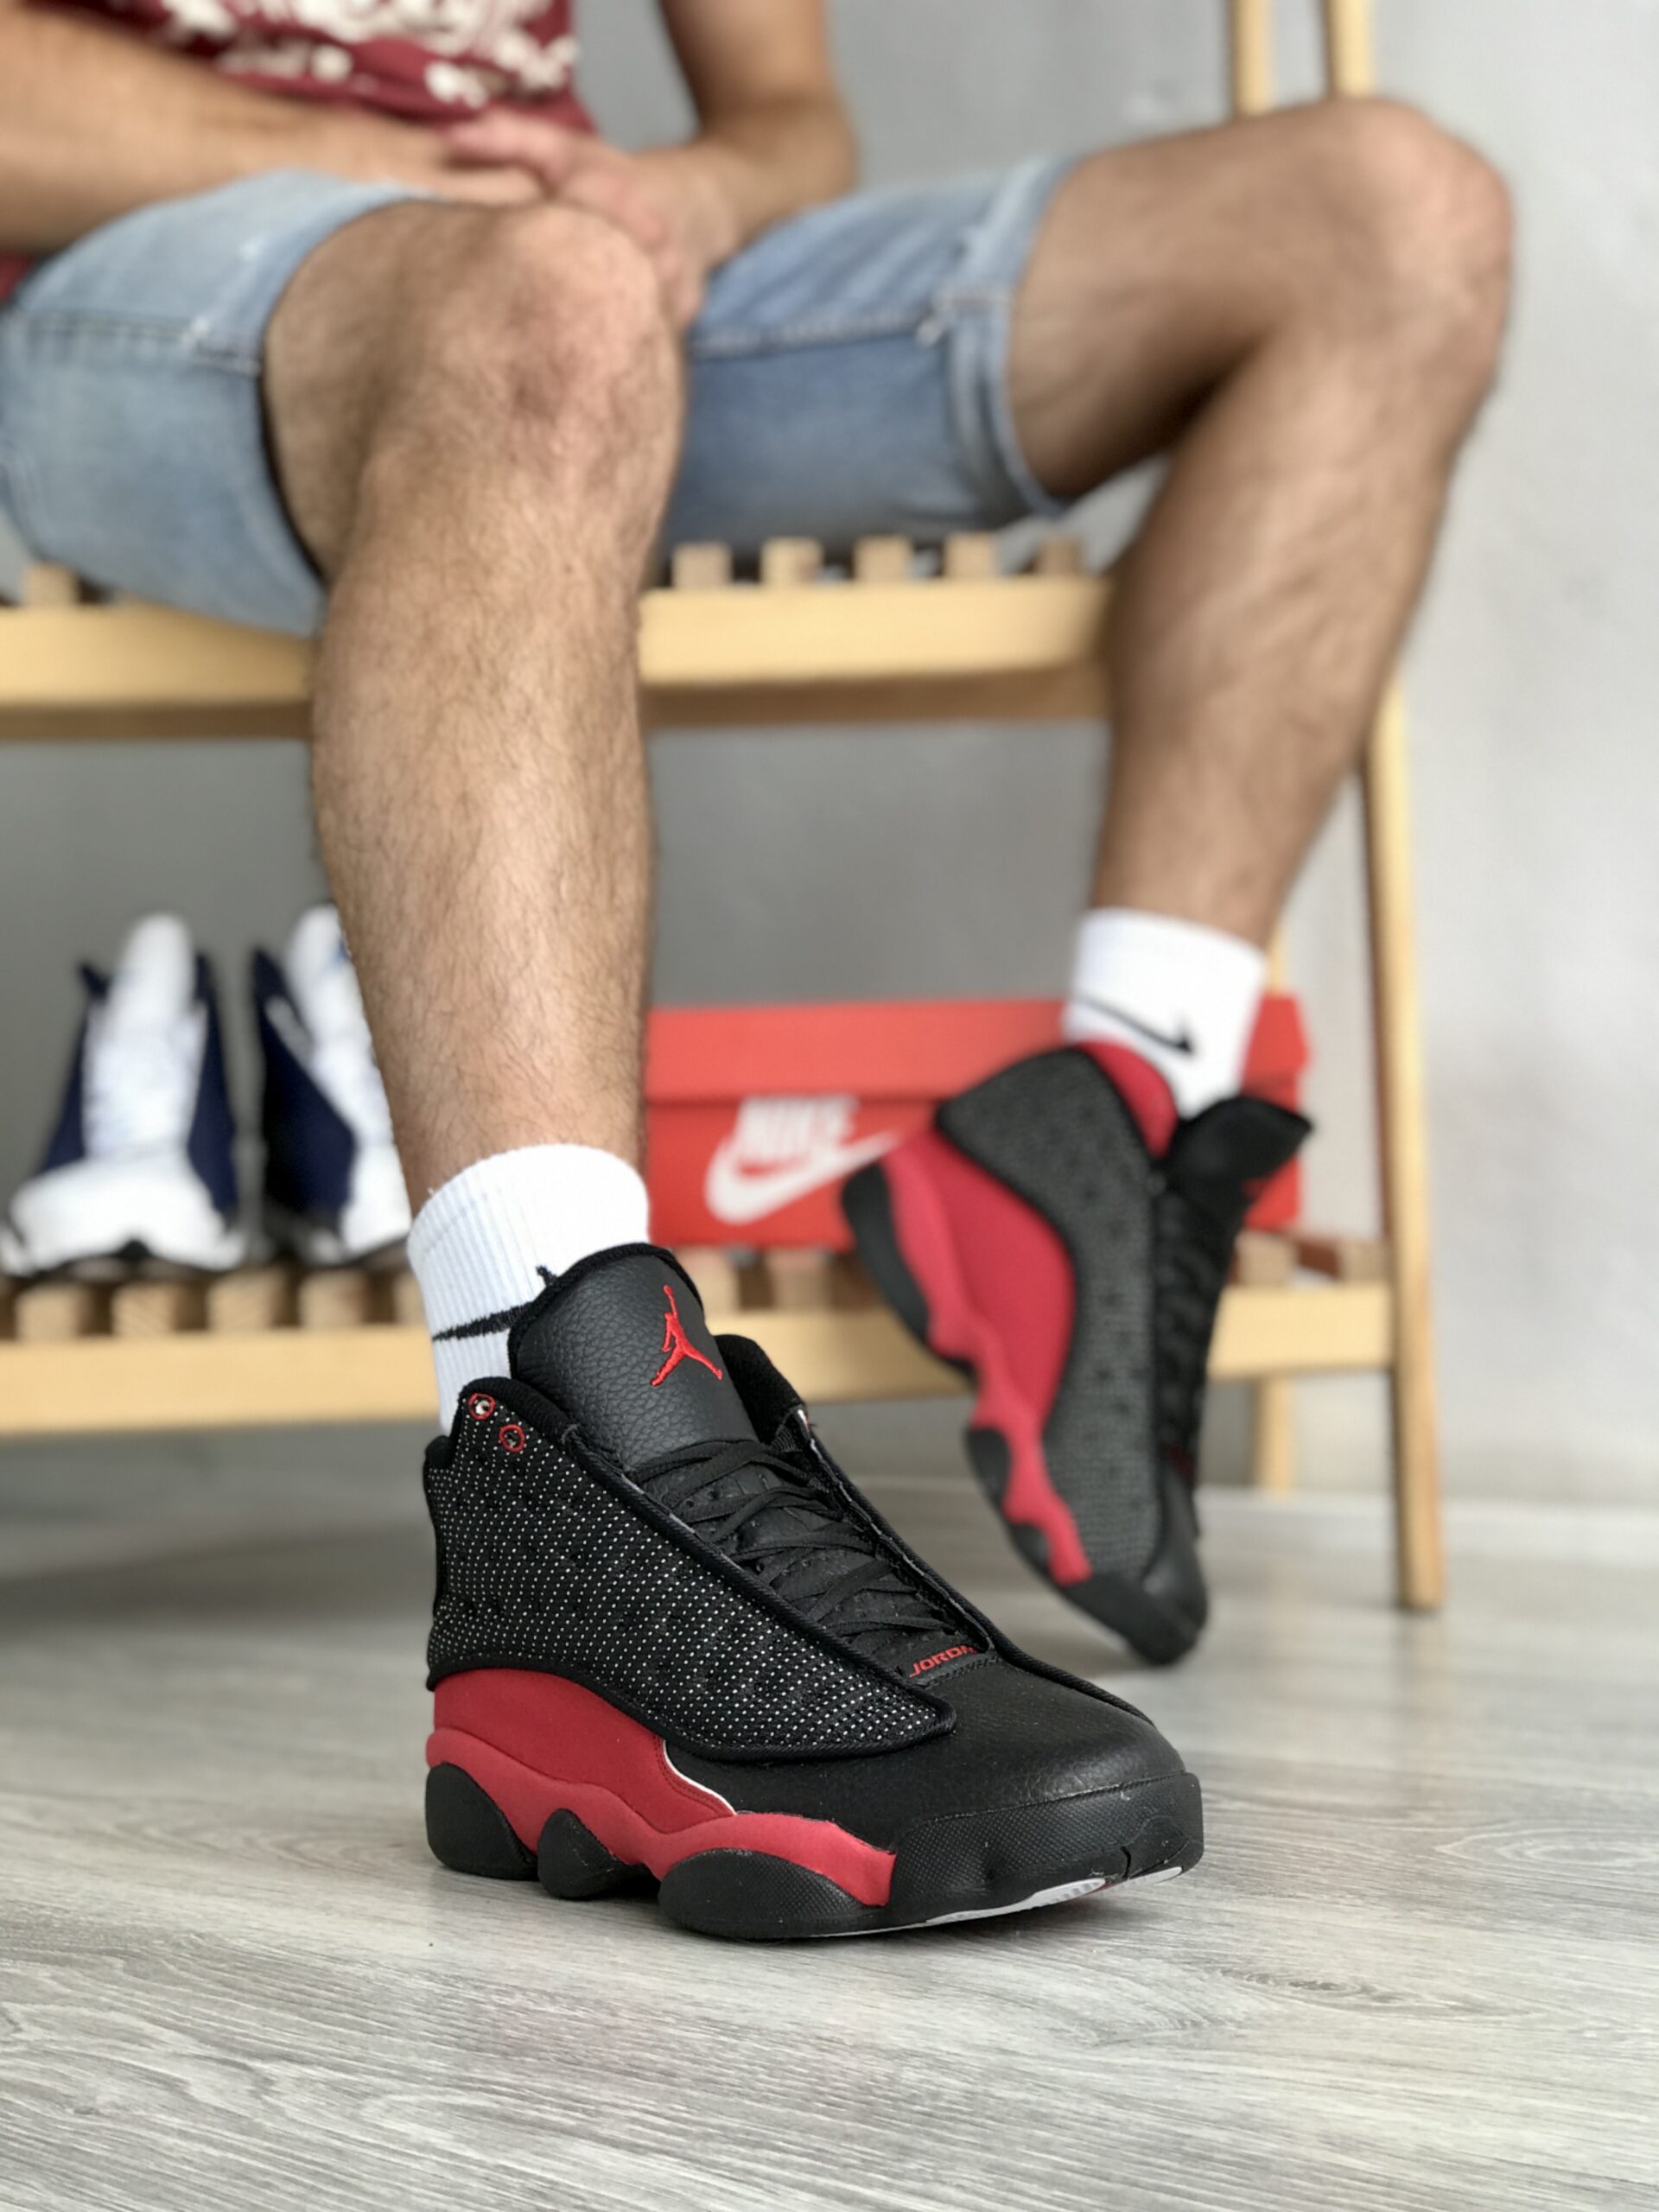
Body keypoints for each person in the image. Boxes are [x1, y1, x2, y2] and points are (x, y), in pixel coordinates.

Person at [0, 0, 1511, 1938]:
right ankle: (555, 1449)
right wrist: (434, 185)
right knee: (543, 307)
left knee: (1391, 207)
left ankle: (1116, 1110)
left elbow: (789, 112)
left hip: (593, 287)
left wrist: (705, 191)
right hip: (139, 292)